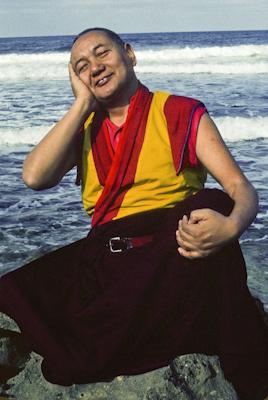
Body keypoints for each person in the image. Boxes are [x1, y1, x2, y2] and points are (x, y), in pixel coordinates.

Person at [0, 28, 267, 400]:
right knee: (13, 288)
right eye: (81, 66)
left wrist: (232, 226)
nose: (95, 67)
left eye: (101, 54)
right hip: (107, 258)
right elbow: (33, 177)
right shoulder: (84, 129)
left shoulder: (180, 111)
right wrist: (80, 106)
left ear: (129, 53)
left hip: (169, 249)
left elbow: (241, 189)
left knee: (214, 203)